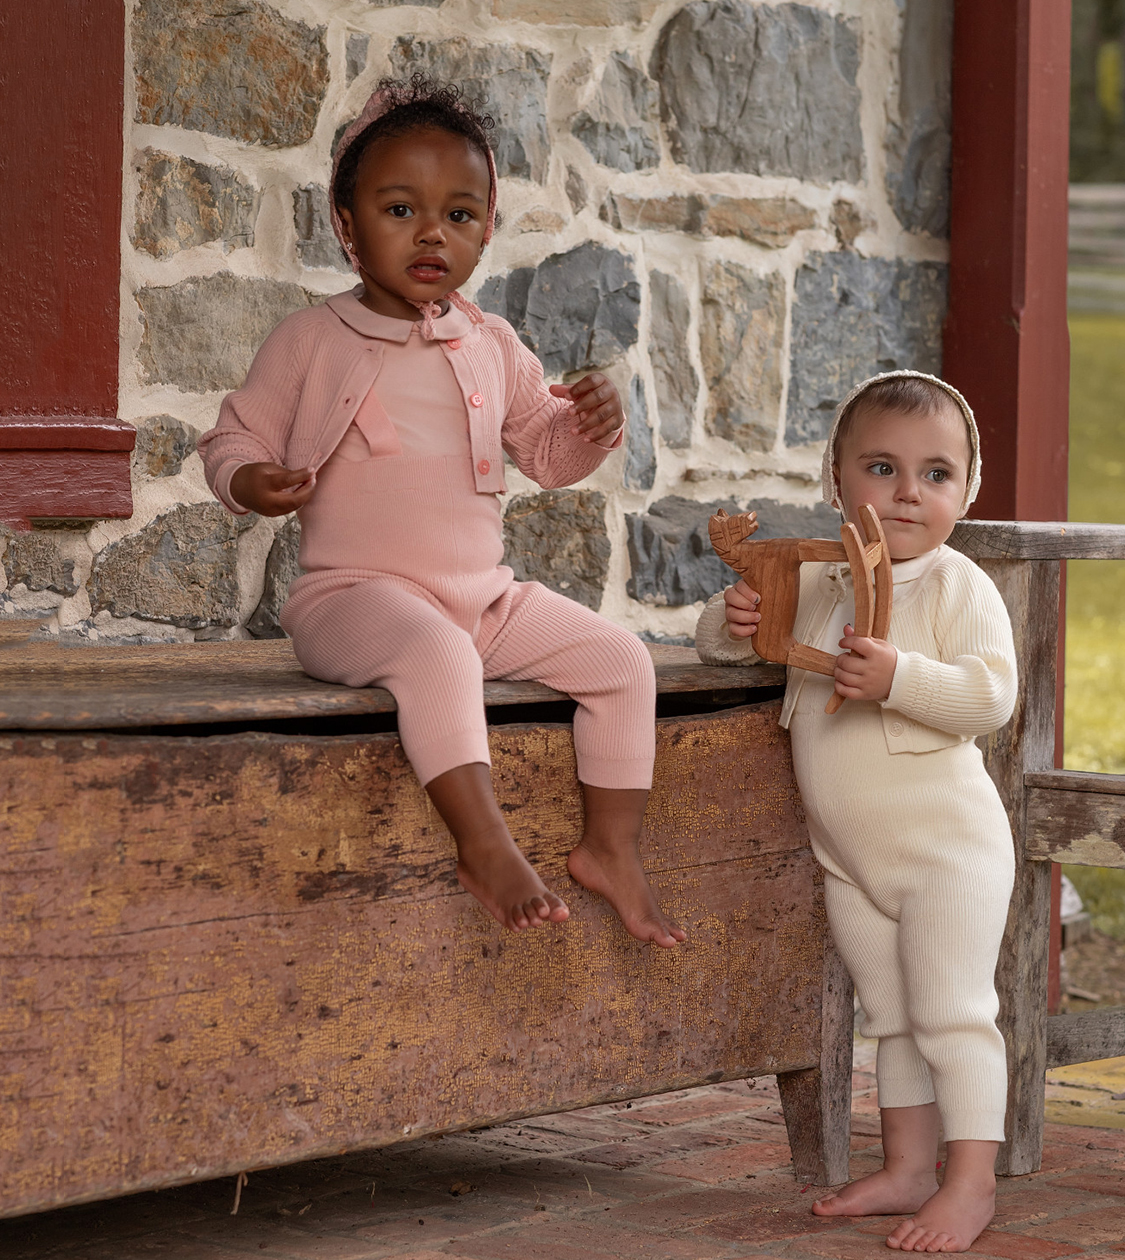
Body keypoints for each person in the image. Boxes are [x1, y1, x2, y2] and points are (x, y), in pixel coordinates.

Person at [198, 74, 685, 949]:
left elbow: (547, 454)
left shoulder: (493, 343)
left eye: (459, 215)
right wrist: (251, 479)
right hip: (353, 601)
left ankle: (612, 849)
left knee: (622, 659)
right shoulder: (310, 341)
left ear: (487, 229)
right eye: (400, 210)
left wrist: (591, 428)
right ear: (346, 226)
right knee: (438, 654)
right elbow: (233, 438)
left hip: (481, 602)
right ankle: (484, 845)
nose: (432, 233)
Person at [696, 372, 1017, 1252]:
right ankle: (908, 1168)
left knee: (952, 1012)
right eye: (882, 467)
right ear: (835, 480)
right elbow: (729, 649)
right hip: (850, 856)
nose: (908, 492)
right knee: (893, 1015)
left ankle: (971, 1181)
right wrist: (734, 620)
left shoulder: (956, 585)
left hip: (946, 850)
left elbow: (991, 696)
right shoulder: (821, 578)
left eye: (936, 474)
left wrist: (901, 678)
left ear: (968, 490)